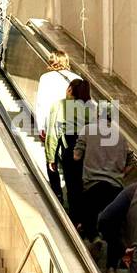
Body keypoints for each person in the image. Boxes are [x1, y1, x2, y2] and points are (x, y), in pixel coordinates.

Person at [75, 101, 135, 273]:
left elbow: (77, 156)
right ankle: (111, 267)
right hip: (115, 187)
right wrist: (122, 172)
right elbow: (131, 161)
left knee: (88, 216)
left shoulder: (87, 131)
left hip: (92, 184)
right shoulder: (120, 136)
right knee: (114, 227)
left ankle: (94, 237)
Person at [44, 77, 91, 223]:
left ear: (70, 89)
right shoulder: (91, 108)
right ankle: (86, 222)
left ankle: (74, 220)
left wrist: (51, 157)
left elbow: (53, 132)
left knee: (72, 186)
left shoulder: (60, 105)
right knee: (83, 185)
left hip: (69, 149)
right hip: (88, 150)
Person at [35, 53, 78, 139]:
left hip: (52, 123)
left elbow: (41, 103)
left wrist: (41, 127)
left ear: (51, 62)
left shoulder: (45, 78)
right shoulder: (77, 78)